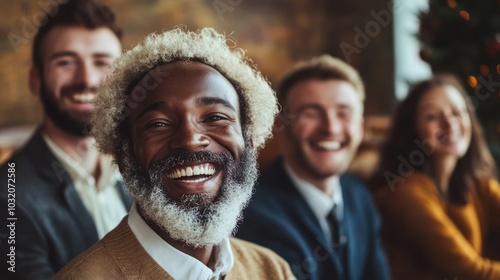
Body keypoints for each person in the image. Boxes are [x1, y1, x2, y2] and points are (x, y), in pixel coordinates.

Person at [53, 27, 295, 279]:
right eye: (158, 124)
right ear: (124, 156)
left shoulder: (272, 270)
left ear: (250, 141)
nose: (190, 140)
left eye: (215, 117)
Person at [0, 1, 132, 279]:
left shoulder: (143, 168)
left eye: (102, 62)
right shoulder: (7, 199)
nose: (87, 79)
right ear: (36, 80)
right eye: (66, 62)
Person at [236, 55, 391, 280]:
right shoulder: (251, 213)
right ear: (281, 127)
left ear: (360, 128)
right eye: (311, 112)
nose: (330, 127)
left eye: (343, 113)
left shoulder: (360, 196)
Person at [370, 74, 500, 280]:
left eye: (457, 112)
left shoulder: (476, 183)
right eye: (432, 116)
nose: (450, 124)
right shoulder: (404, 192)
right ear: (412, 128)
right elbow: (473, 273)